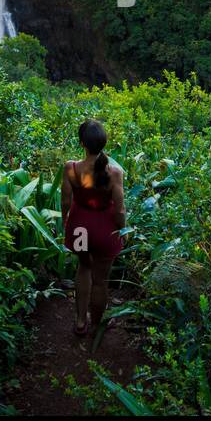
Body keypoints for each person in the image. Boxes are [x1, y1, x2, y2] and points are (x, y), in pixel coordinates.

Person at [62, 119, 126, 336]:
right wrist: (122, 230)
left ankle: (81, 321)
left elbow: (65, 200)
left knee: (84, 269)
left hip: (80, 229)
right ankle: (98, 323)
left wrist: (64, 223)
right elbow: (120, 209)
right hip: (105, 231)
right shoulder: (114, 173)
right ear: (103, 143)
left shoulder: (71, 168)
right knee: (100, 279)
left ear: (82, 143)